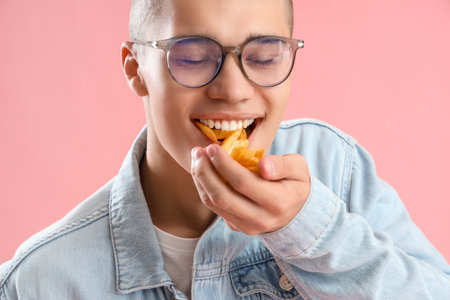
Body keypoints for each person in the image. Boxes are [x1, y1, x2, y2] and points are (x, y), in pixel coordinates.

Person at [1, 0, 449, 298]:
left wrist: (309, 230)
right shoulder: (41, 280)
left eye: (264, 56)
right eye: (193, 57)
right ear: (136, 69)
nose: (233, 90)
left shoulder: (336, 167)